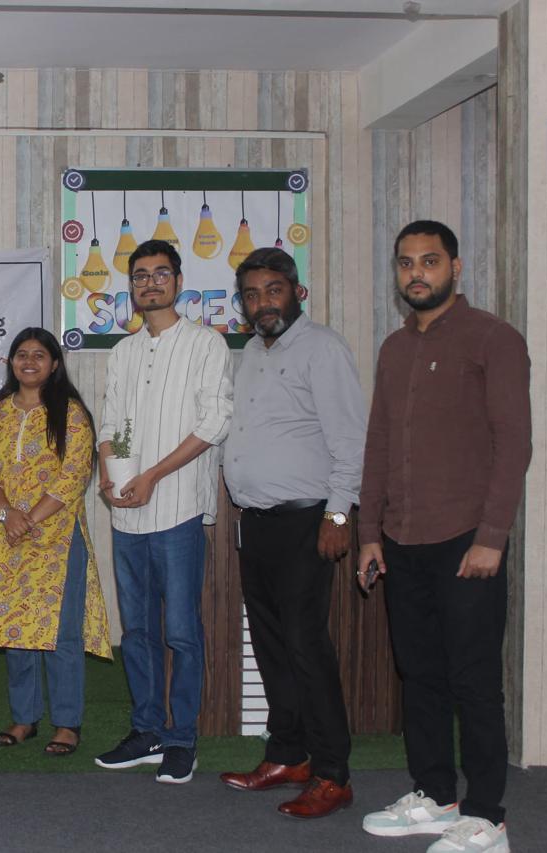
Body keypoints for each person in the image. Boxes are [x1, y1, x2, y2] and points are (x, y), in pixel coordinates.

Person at [358, 221, 530, 852]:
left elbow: (514, 445)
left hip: (467, 541)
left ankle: (487, 816)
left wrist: (493, 536)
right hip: (402, 540)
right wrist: (370, 532)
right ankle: (434, 795)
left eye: (429, 262)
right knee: (420, 674)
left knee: (473, 679)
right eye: (405, 264)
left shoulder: (494, 339)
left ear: (456, 267)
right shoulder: (393, 348)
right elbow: (377, 444)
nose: (416, 274)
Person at [220, 247, 366, 819]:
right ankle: (288, 755)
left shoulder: (323, 348)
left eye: (272, 291)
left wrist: (337, 515)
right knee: (271, 646)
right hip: (256, 526)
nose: (262, 303)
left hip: (307, 522)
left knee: (307, 649)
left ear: (296, 292)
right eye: (252, 295)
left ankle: (333, 773)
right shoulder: (252, 352)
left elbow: (350, 438)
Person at [91, 240, 232, 784]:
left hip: (175, 509)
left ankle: (181, 740)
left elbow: (214, 421)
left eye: (160, 274)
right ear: (131, 287)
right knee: (137, 631)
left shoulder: (205, 344)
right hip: (126, 514)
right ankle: (147, 730)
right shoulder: (123, 351)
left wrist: (152, 476)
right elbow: (110, 423)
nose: (150, 283)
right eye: (141, 276)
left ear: (178, 281)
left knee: (180, 631)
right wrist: (110, 471)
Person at [0, 327, 112, 756]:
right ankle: (24, 718)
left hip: (58, 536)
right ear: (10, 363)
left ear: (54, 364)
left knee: (61, 633)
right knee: (16, 630)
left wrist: (28, 520)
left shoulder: (72, 413)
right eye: (21, 354)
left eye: (39, 355)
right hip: (4, 530)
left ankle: (66, 723)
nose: (30, 361)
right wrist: (8, 515)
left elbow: (74, 476)